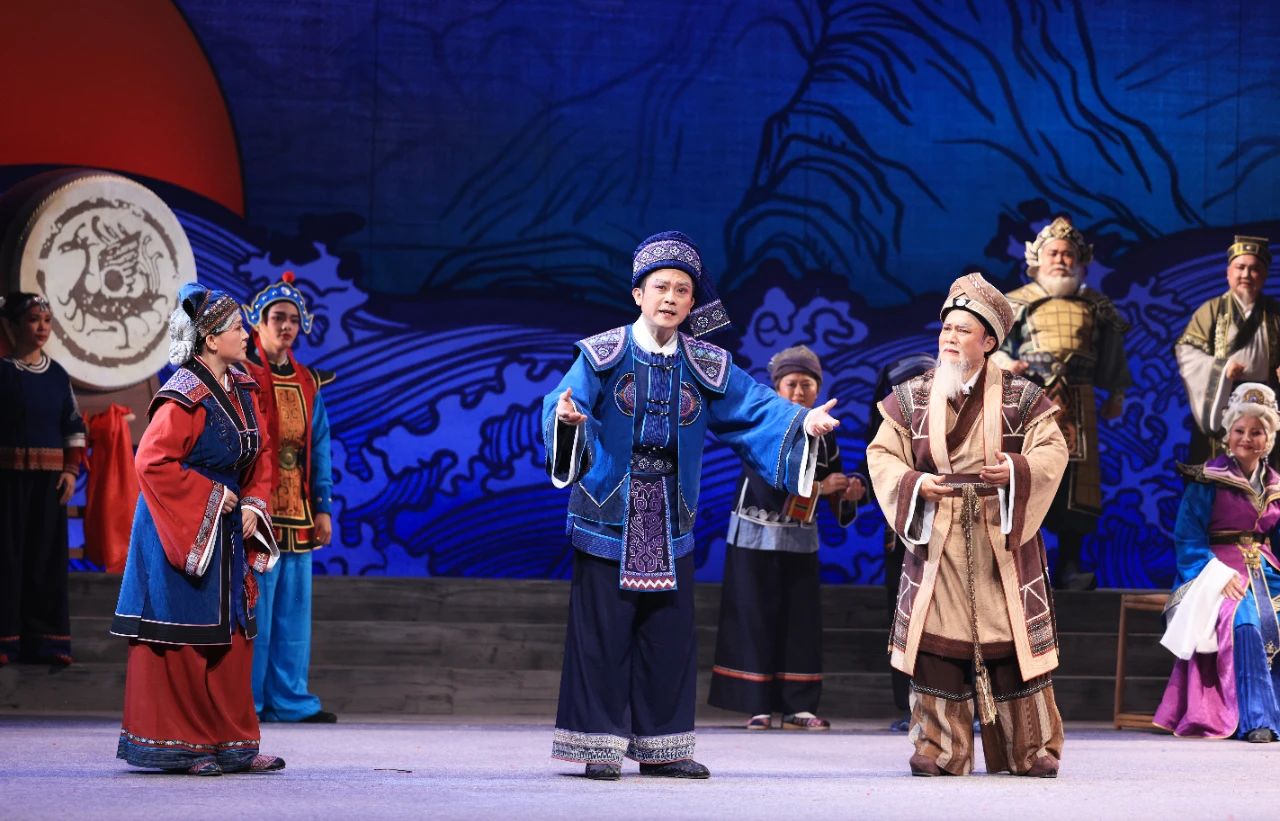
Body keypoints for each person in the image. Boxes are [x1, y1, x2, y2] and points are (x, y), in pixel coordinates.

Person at [544, 231, 840, 780]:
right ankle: (598, 745)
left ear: (691, 302)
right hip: (610, 508)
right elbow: (566, 400)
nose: (671, 298)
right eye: (661, 287)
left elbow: (756, 408)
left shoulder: (706, 363)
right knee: (604, 633)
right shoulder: (602, 353)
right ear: (638, 294)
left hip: (669, 511)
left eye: (682, 290)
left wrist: (803, 421)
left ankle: (663, 747)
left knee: (669, 634)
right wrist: (565, 420)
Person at [867, 272, 1070, 777]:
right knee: (937, 642)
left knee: (1014, 640)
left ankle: (1031, 748)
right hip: (939, 532)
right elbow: (882, 454)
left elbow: (1053, 450)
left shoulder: (1022, 397)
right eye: (946, 328)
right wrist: (916, 483)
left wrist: (1016, 472)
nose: (950, 338)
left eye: (963, 330)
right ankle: (938, 747)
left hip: (1001, 531)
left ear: (989, 342)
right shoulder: (912, 397)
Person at [111, 283, 285, 776]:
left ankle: (234, 742)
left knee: (232, 633)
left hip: (225, 525)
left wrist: (252, 502)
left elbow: (261, 453)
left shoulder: (244, 386)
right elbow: (152, 461)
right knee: (186, 634)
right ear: (210, 339)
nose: (246, 335)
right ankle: (183, 746)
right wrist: (211, 496)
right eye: (237, 328)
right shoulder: (184, 395)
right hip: (179, 524)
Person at [708, 344, 864, 731]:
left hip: (799, 537)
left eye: (806, 385)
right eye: (791, 384)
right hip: (755, 535)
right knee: (753, 616)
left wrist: (847, 491)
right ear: (777, 387)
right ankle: (756, 704)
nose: (798, 392)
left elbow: (834, 478)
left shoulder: (825, 431)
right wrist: (821, 488)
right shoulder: (763, 423)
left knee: (801, 619)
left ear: (818, 388)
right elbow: (767, 480)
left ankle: (799, 706)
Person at [994, 216, 1130, 590]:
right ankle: (1022, 566)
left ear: (1081, 260)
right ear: (1037, 258)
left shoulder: (1097, 306)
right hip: (1027, 401)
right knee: (1026, 477)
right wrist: (1006, 363)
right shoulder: (1015, 303)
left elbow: (1113, 353)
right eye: (1053, 253)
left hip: (1078, 403)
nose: (1060, 260)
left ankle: (1069, 565)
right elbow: (993, 347)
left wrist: (1116, 393)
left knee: (1077, 486)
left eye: (1068, 254)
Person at [1154, 382, 1280, 742]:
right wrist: (1215, 575)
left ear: (1269, 439)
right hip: (1215, 571)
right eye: (1240, 430)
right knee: (1245, 620)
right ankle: (1257, 720)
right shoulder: (1207, 480)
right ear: (1228, 435)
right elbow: (1187, 539)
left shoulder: (1275, 486)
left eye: (1256, 432)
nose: (1247, 439)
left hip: (1266, 570)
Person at [243, 271, 337, 724]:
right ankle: (250, 701)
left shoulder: (307, 382)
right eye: (278, 318)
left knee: (294, 616)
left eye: (293, 319)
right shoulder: (242, 376)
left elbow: (319, 447)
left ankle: (291, 699)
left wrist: (323, 507)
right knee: (256, 613)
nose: (286, 326)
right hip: (256, 511)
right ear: (258, 323)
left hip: (297, 512)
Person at [0, 292, 84, 666]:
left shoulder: (57, 376)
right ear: (13, 326)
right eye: (33, 320)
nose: (41, 328)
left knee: (46, 560)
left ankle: (49, 642)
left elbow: (73, 425)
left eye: (47, 321)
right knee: (7, 558)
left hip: (49, 484)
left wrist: (70, 471)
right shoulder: (3, 372)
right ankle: (6, 640)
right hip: (7, 482)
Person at [862, 352, 936, 732]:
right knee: (904, 617)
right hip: (903, 540)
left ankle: (965, 704)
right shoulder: (885, 432)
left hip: (952, 537)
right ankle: (910, 706)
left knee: (956, 620)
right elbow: (870, 476)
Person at [1176, 236, 1280, 465]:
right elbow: (1186, 351)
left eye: (1254, 269)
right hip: (1223, 398)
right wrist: (1222, 369)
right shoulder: (1211, 310)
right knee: (1219, 466)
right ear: (1228, 273)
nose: (1246, 275)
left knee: (1264, 465)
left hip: (1265, 400)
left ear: (1264, 275)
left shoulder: (1275, 313)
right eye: (1240, 267)